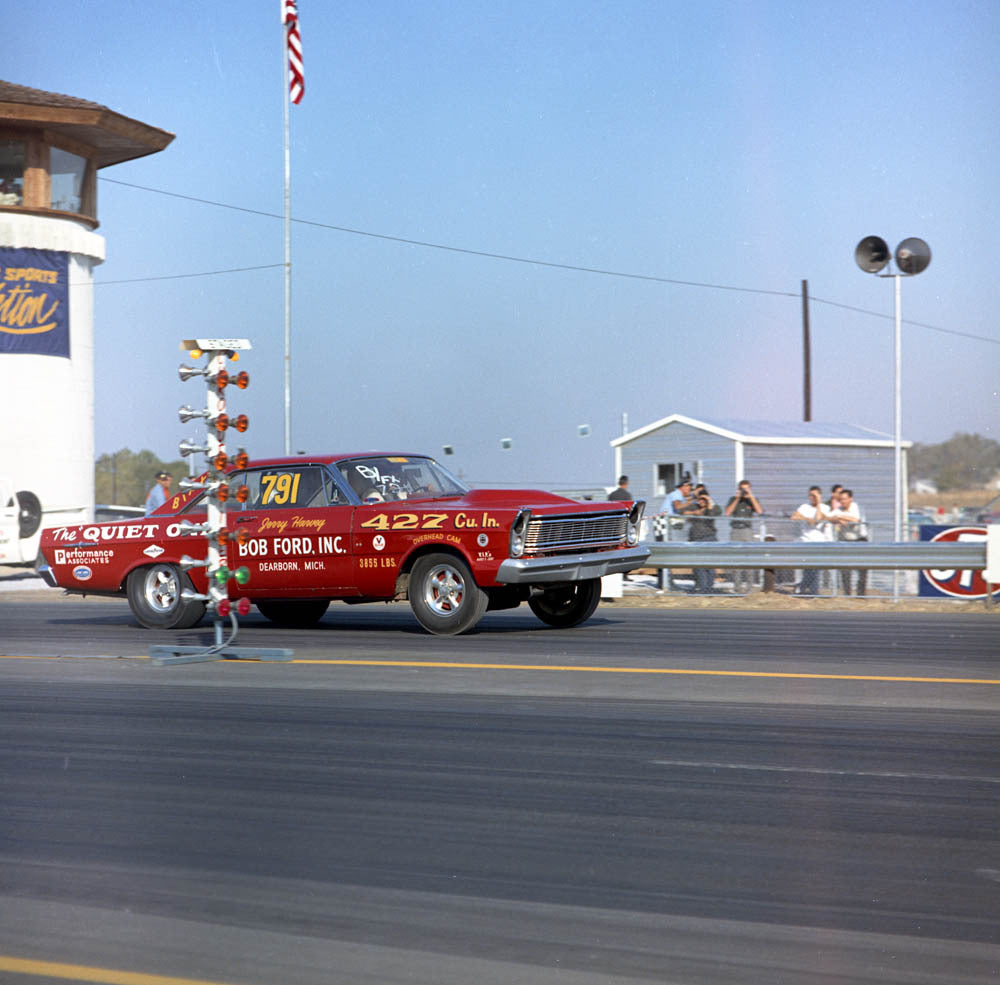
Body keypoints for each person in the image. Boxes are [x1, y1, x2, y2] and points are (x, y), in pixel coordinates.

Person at [790, 485, 831, 595]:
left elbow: (818, 518)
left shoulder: (825, 507)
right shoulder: (804, 507)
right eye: (810, 495)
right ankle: (805, 589)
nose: (811, 498)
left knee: (816, 568)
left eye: (814, 496)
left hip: (819, 543)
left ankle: (812, 591)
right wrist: (807, 518)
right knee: (807, 567)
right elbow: (794, 517)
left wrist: (818, 503)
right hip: (806, 542)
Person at [724, 479, 763, 593]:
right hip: (736, 530)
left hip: (747, 530)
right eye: (742, 489)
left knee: (749, 559)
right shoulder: (733, 499)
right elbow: (727, 513)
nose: (744, 491)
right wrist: (737, 498)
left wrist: (750, 496)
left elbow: (760, 511)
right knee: (736, 560)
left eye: (746, 488)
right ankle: (737, 587)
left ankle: (749, 587)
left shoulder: (751, 500)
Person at [830, 488, 867, 595]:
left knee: (862, 569)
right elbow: (828, 517)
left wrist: (840, 517)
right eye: (841, 499)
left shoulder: (857, 507)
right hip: (846, 541)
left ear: (851, 499)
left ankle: (861, 594)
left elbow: (856, 519)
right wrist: (837, 519)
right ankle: (847, 593)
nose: (843, 502)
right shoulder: (839, 509)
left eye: (845, 499)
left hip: (860, 540)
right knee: (845, 569)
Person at [683, 487, 721, 593]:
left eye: (703, 499)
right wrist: (695, 511)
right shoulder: (694, 507)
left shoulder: (713, 508)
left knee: (709, 564)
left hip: (709, 538)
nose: (701, 501)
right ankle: (701, 587)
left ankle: (709, 587)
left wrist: (708, 503)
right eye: (700, 499)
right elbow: (683, 512)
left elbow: (713, 515)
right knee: (698, 565)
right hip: (696, 539)